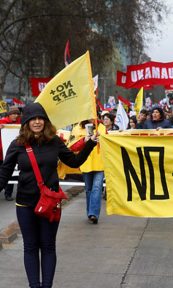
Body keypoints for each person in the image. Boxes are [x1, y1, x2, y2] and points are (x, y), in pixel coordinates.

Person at [0, 103, 97, 288]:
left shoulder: (55, 142)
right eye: (32, 119)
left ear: (45, 121)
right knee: (30, 247)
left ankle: (47, 286)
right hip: (25, 205)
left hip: (50, 203)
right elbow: (4, 174)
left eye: (40, 118)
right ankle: (34, 286)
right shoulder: (17, 145)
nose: (37, 122)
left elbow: (74, 161)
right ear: (26, 122)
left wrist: (90, 143)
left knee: (48, 246)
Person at [71, 119, 106, 224]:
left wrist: (102, 141)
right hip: (85, 163)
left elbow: (109, 144)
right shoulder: (77, 129)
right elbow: (72, 146)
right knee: (89, 189)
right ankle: (90, 212)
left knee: (97, 188)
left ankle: (93, 214)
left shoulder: (101, 127)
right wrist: (84, 140)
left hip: (100, 163)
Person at [0, 106, 21, 201]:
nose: (15, 115)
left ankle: (8, 194)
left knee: (11, 173)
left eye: (17, 114)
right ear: (9, 114)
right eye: (13, 113)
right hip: (0, 153)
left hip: (11, 154)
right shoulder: (2, 122)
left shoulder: (19, 124)